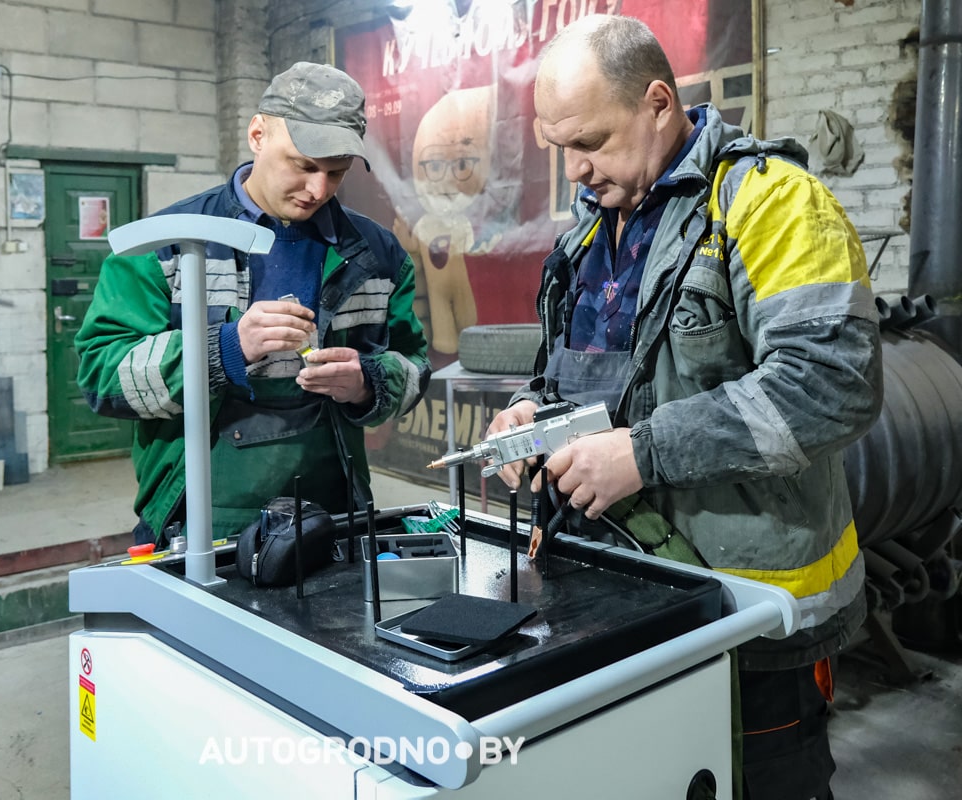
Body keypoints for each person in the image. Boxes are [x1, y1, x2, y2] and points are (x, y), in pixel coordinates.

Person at [488, 15, 882, 800]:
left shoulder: (770, 203)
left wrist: (642, 453)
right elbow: (589, 381)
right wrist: (533, 414)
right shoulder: (591, 228)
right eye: (559, 146)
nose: (575, 169)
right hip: (618, 594)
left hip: (751, 610)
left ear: (658, 103)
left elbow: (832, 382)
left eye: (591, 141)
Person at [75, 62, 430, 544]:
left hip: (332, 513)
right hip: (201, 516)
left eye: (336, 173)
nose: (318, 190)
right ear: (258, 134)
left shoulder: (375, 254)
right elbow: (101, 376)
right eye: (303, 165)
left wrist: (367, 382)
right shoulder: (167, 244)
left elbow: (412, 367)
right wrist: (224, 350)